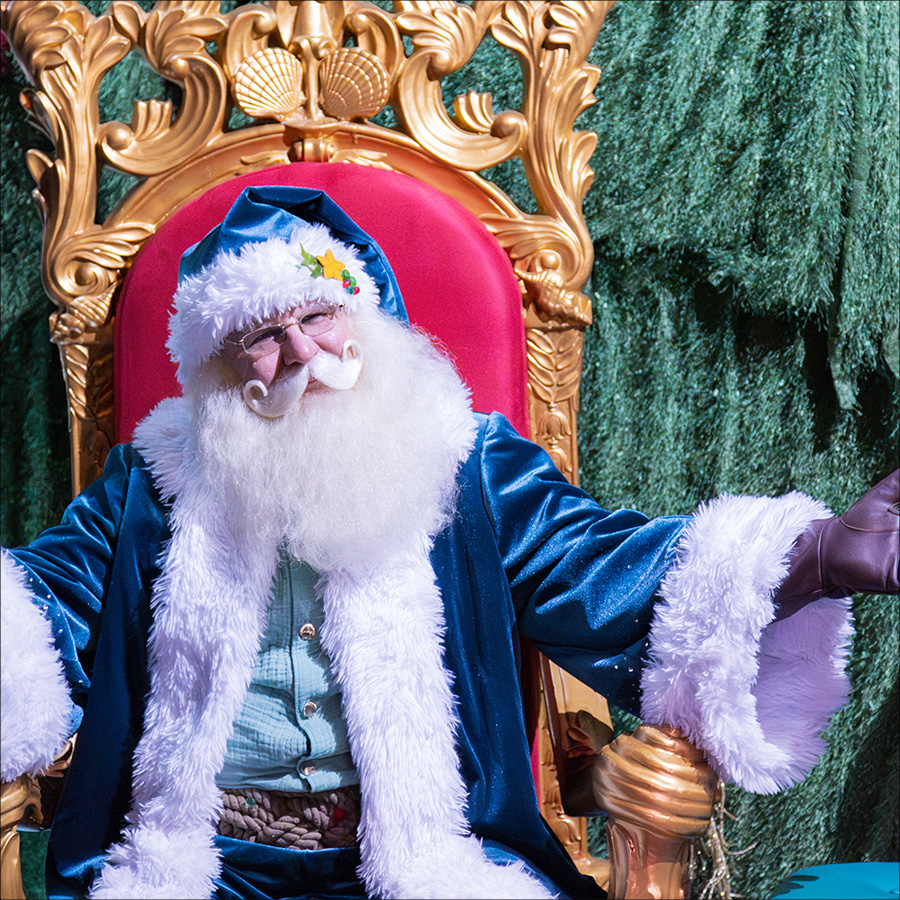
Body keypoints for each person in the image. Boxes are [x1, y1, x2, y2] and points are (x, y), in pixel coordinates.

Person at [1, 186, 897, 900]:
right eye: (265, 339)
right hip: (201, 860)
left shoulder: (467, 465)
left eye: (318, 318)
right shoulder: (152, 483)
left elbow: (601, 565)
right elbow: (43, 606)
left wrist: (811, 557)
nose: (303, 355)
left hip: (417, 856)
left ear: (364, 318)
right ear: (219, 372)